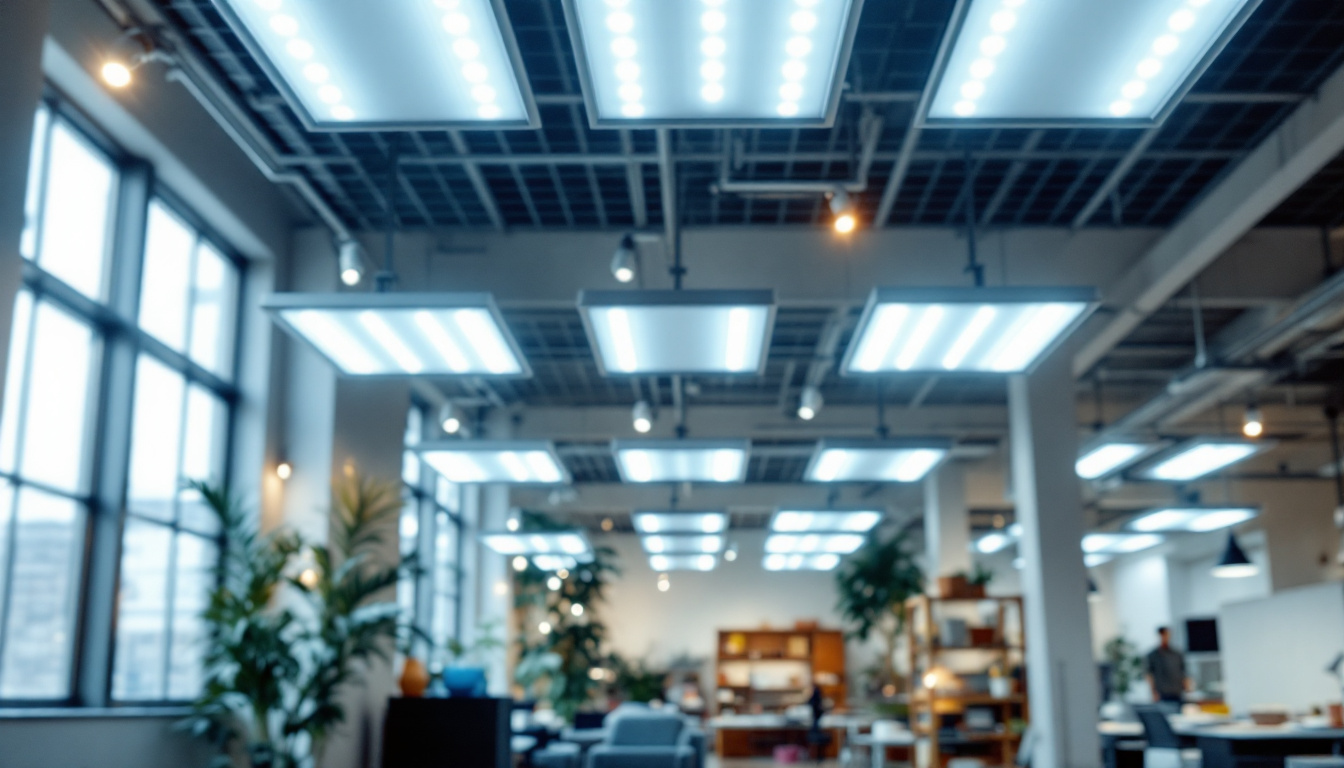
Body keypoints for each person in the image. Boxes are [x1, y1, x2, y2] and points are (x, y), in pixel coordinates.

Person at [1145, 626, 1189, 704]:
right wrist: (1153, 692)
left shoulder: (1177, 654)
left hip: (1177, 691)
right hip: (1162, 693)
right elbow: (1149, 675)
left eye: (1168, 635)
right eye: (1164, 635)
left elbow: (1183, 672)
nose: (1166, 637)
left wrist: (1187, 688)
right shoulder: (1153, 655)